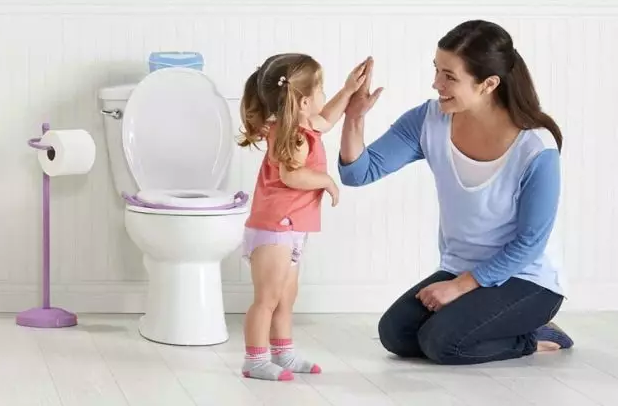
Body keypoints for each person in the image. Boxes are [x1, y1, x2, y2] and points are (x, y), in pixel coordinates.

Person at [337, 20, 574, 365]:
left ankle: (533, 336)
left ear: (488, 84)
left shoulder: (536, 147)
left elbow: (530, 244)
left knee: (441, 343)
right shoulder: (429, 120)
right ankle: (489, 323)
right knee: (395, 333)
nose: (436, 83)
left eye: (449, 76)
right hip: (460, 268)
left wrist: (460, 287)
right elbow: (358, 173)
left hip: (527, 280)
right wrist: (354, 117)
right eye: (436, 70)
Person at [237, 53, 368, 380]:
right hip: (275, 228)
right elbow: (291, 175)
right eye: (321, 89)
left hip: (289, 228)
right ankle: (254, 360)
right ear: (305, 101)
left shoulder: (303, 126)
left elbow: (327, 118)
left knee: (286, 297)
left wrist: (348, 90)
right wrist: (326, 181)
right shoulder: (294, 137)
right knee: (267, 299)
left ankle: (283, 353)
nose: (324, 95)